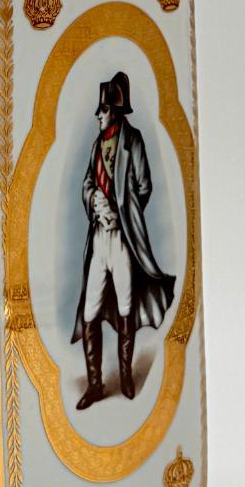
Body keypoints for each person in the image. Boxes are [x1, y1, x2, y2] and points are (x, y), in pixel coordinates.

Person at [72, 71, 176, 410]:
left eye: (102, 110)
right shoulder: (96, 144)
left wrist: (123, 213)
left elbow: (144, 187)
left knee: (126, 306)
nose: (98, 115)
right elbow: (87, 183)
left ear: (114, 111)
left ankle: (127, 376)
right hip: (98, 238)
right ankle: (95, 384)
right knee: (90, 310)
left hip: (123, 240)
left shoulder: (134, 141)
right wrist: (94, 201)